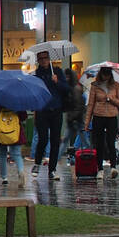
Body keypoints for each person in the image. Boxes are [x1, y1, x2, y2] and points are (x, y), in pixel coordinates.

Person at [31, 51, 69, 180]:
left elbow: (66, 89)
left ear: (49, 59)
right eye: (40, 58)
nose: (43, 61)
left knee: (55, 140)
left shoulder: (57, 72)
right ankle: (37, 162)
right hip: (42, 110)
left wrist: (57, 82)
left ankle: (52, 169)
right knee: (42, 139)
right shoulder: (36, 75)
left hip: (56, 109)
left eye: (45, 58)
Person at [84, 66, 119, 178]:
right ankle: (100, 168)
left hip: (112, 116)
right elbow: (90, 104)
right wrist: (87, 122)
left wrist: (112, 99)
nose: (105, 76)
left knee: (111, 142)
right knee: (99, 143)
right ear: (100, 74)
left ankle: (113, 167)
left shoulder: (116, 85)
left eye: (107, 74)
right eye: (104, 74)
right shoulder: (95, 86)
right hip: (98, 116)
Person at [0, 102, 28, 187]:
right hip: (16, 133)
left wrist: (0, 126)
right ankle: (20, 170)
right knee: (17, 154)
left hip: (2, 133)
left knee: (3, 155)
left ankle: (4, 178)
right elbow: (24, 116)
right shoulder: (18, 102)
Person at [62, 69, 86, 166]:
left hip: (76, 119)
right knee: (82, 139)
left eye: (68, 76)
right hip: (74, 119)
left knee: (83, 140)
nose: (67, 78)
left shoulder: (75, 89)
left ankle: (83, 158)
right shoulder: (71, 89)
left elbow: (78, 106)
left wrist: (73, 116)